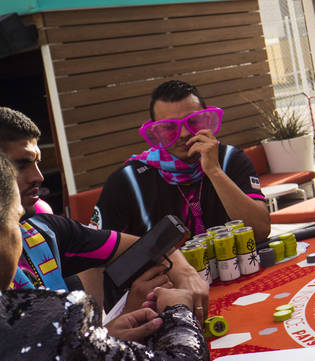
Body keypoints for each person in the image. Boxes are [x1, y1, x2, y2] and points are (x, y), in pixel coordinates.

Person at [0, 153, 210, 361]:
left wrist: (102, 340)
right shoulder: (42, 323)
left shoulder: (46, 232)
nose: (37, 176)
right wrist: (179, 313)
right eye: (15, 221)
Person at [0, 107, 208, 325]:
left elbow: (147, 246)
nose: (38, 176)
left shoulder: (44, 230)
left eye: (37, 163)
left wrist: (185, 273)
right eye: (21, 165)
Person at [95, 80, 270, 241]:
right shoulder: (127, 181)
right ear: (156, 132)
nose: (185, 133)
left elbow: (260, 231)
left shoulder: (230, 159)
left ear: (207, 120)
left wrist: (214, 171)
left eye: (194, 121)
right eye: (169, 127)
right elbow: (98, 255)